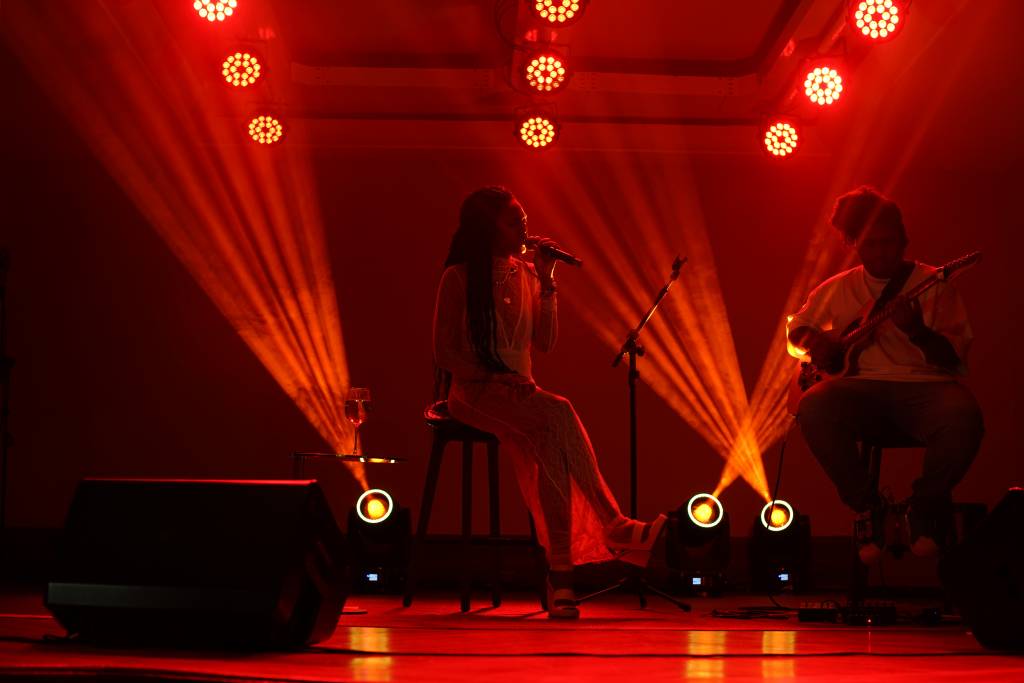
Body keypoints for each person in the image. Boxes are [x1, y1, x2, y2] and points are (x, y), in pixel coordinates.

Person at [432, 186, 665, 618]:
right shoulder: (459, 277)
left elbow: (546, 342)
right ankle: (612, 524)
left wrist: (547, 281)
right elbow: (445, 353)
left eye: (523, 216)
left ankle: (562, 579)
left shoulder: (526, 273)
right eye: (512, 219)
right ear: (488, 228)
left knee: (549, 440)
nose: (523, 225)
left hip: (521, 393)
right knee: (556, 412)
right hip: (474, 391)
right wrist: (494, 374)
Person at [787, 186, 983, 563]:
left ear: (904, 241)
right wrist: (818, 343)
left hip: (926, 387)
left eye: (889, 243)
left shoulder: (934, 284)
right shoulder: (838, 288)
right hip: (858, 389)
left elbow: (953, 356)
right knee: (814, 407)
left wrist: (916, 331)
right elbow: (798, 330)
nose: (881, 252)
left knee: (964, 417)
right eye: (870, 244)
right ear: (854, 244)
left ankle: (923, 508)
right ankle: (869, 508)